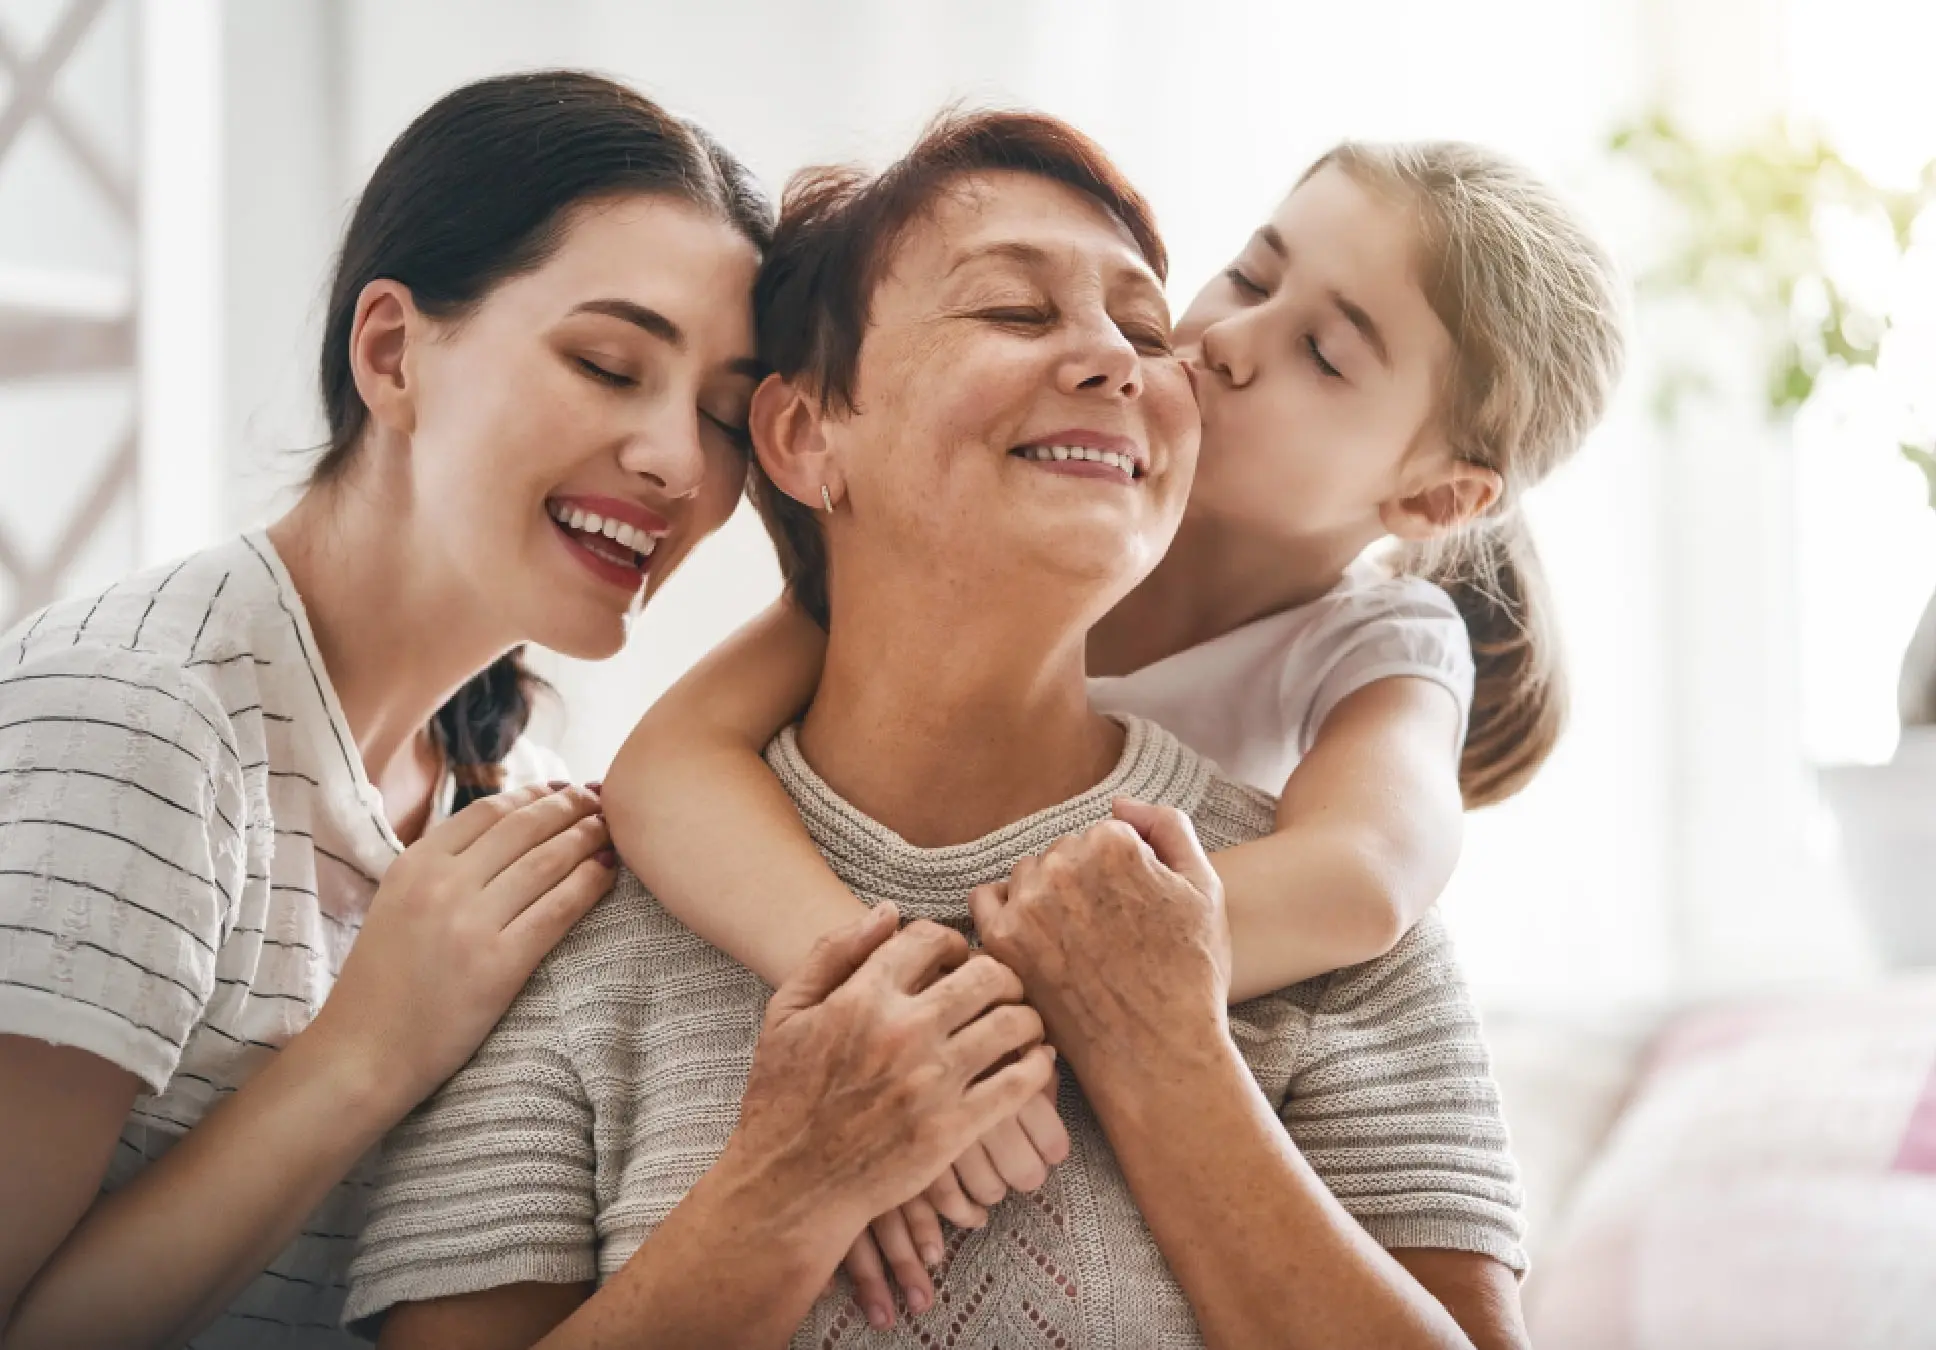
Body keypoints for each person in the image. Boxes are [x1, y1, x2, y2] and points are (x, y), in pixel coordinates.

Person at [349, 109, 1531, 1350]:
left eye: (1140, 326)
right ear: (806, 436)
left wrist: (1165, 1058)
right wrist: (792, 1184)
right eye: (1016, 313)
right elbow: (663, 772)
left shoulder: (1314, 918)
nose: (1124, 360)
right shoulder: (557, 920)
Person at [0, 71, 1005, 1349]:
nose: (678, 463)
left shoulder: (515, 797)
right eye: (605, 364)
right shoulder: (138, 725)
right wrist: (368, 1050)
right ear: (392, 352)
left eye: (718, 415)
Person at [600, 134, 1626, 1317]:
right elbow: (668, 767)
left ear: (1434, 497)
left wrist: (1049, 1001)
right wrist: (890, 1008)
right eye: (1248, 276)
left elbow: (1365, 876)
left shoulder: (1379, 641)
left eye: (1324, 356)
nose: (1224, 344)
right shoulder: (987, 523)